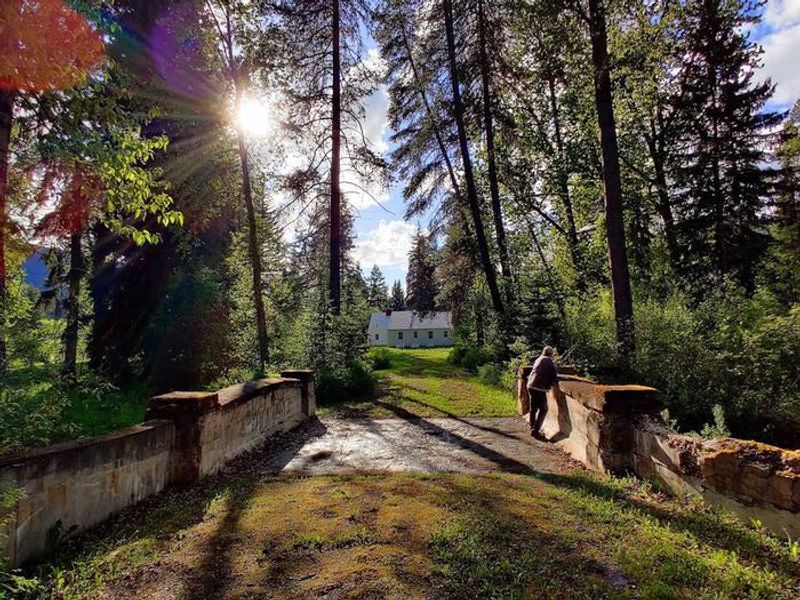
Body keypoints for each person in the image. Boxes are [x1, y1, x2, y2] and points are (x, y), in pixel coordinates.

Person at [526, 346, 559, 439]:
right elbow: (554, 375)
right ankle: (535, 430)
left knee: (533, 408)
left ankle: (532, 426)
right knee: (544, 409)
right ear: (551, 354)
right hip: (539, 388)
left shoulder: (538, 359)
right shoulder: (548, 360)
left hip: (530, 385)